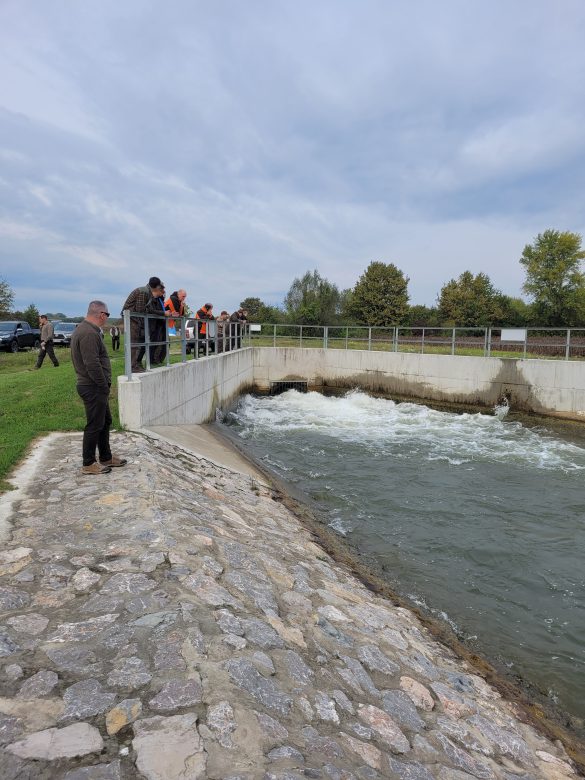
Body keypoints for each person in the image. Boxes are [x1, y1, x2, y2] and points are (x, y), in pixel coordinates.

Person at [70, 301, 127, 475]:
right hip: (92, 386)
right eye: (107, 315)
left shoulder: (87, 330)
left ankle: (105, 457)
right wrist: (103, 385)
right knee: (94, 424)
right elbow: (92, 364)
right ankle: (88, 463)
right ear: (101, 314)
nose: (107, 318)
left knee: (105, 421)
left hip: (95, 386)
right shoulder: (88, 333)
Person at [121, 276, 164, 373]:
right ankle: (132, 367)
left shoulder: (147, 292)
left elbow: (146, 309)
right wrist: (142, 326)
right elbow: (140, 310)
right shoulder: (144, 292)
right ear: (156, 287)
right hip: (131, 319)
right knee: (133, 343)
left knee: (136, 343)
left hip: (134, 318)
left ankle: (134, 365)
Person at [146, 285, 169, 365]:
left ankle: (155, 360)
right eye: (163, 292)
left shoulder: (160, 300)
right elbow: (152, 311)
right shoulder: (154, 298)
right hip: (154, 324)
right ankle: (150, 360)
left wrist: (168, 313)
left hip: (160, 324)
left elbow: (162, 310)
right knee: (153, 343)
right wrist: (164, 313)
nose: (163, 294)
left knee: (158, 343)